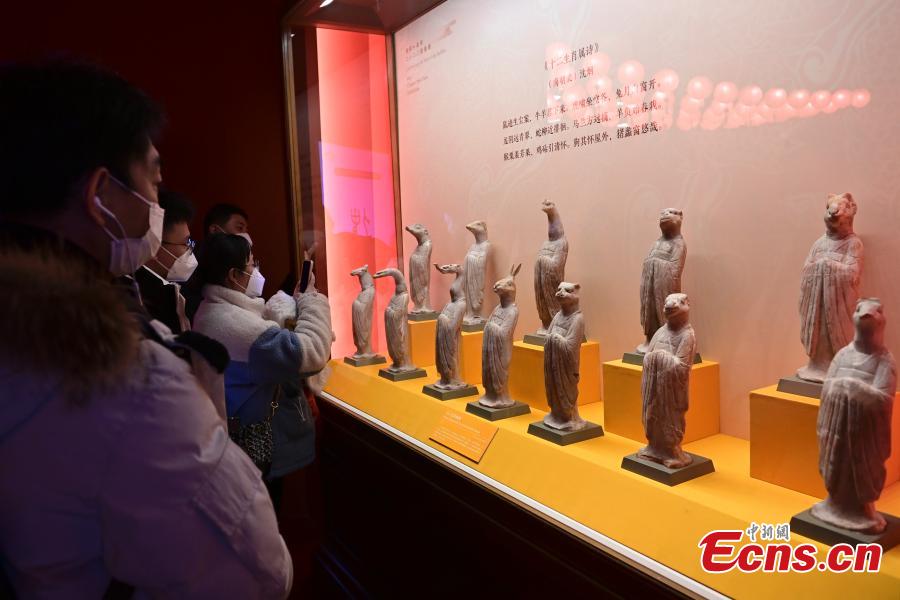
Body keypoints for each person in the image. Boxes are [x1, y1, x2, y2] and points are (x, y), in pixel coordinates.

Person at [0, 61, 292, 598]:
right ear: (100, 196)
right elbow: (258, 574)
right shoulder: (127, 378)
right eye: (154, 181)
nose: (158, 203)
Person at [192, 233, 333, 510]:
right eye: (251, 265)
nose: (256, 270)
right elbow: (313, 351)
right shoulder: (237, 327)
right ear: (233, 276)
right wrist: (311, 300)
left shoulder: (209, 310)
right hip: (254, 450)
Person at [135, 188, 197, 334]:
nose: (190, 250)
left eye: (190, 243)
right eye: (185, 243)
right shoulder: (139, 299)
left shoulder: (172, 290)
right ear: (154, 245)